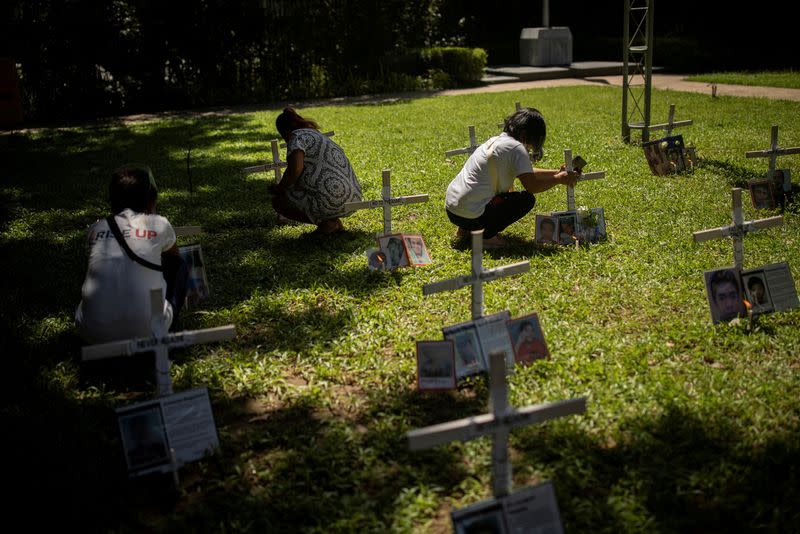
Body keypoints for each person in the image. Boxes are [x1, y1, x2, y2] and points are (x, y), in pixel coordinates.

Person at [75, 165, 188, 344]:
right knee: (180, 263)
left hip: (92, 333)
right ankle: (169, 315)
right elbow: (173, 256)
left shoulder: (96, 228)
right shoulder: (159, 224)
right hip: (150, 330)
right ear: (150, 198)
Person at [445, 107, 580, 248]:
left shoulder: (496, 140)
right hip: (471, 215)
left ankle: (465, 229)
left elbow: (526, 171)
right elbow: (532, 186)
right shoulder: (517, 148)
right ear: (524, 134)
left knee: (486, 195)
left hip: (453, 211)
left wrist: (556, 173)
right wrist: (558, 179)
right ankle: (486, 237)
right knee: (525, 200)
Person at [269, 108, 362, 235]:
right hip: (354, 198)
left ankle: (326, 224)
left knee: (279, 202)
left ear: (284, 132)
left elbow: (295, 169)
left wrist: (280, 188)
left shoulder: (296, 137)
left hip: (333, 198)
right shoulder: (317, 134)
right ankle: (333, 220)